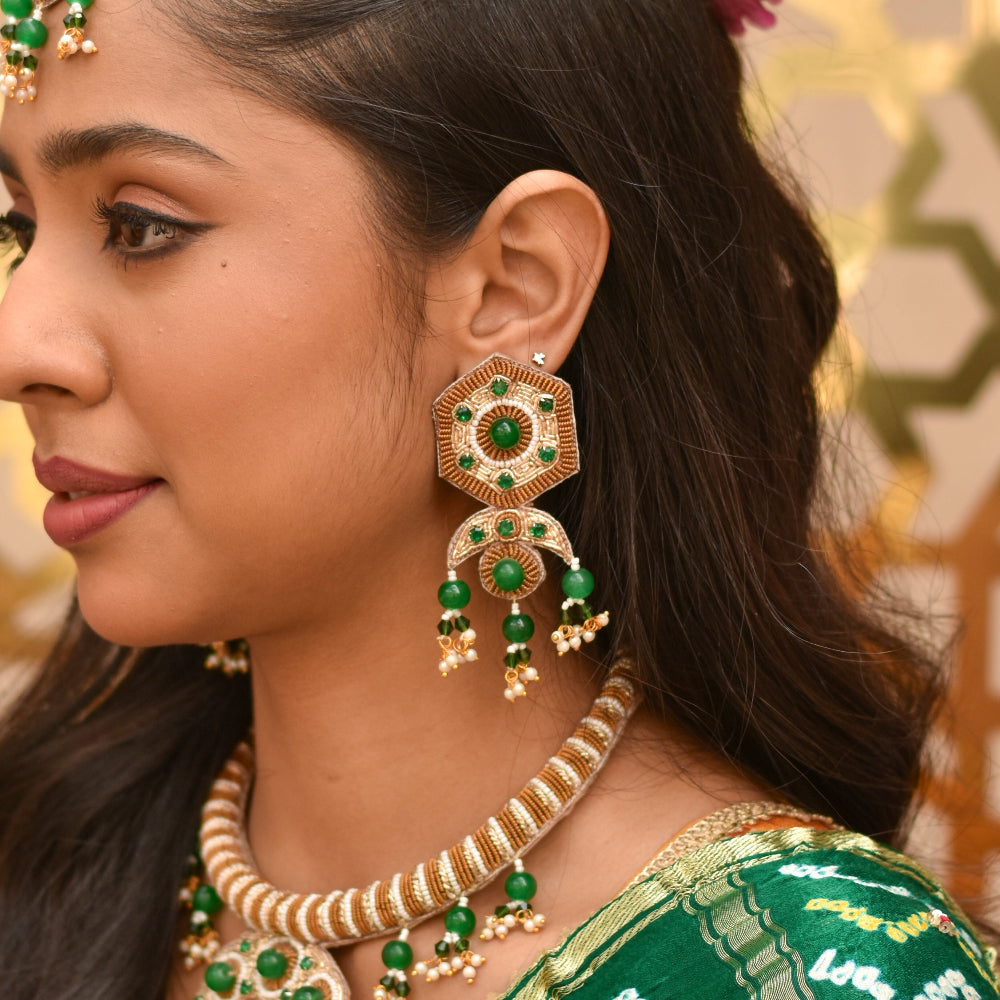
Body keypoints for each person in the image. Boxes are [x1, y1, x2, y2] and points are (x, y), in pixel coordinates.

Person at [0, 0, 995, 998]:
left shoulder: (800, 968)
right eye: (18, 229)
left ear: (514, 286)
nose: (17, 346)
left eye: (139, 227)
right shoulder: (41, 876)